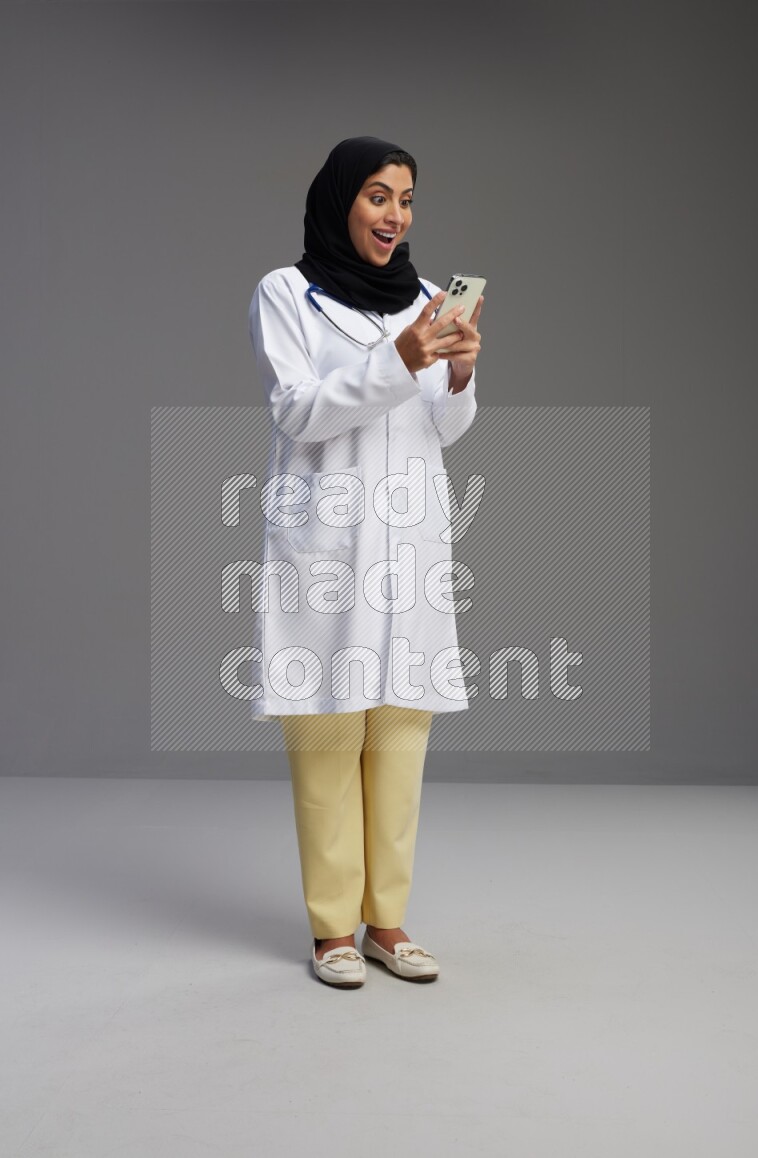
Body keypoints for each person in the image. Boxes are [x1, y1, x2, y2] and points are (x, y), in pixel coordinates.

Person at [248, 136, 483, 988]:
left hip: (410, 548)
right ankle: (330, 931)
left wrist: (456, 377)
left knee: (399, 742)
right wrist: (401, 360)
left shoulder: (426, 298)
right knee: (325, 739)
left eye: (409, 200)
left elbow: (443, 431)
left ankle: (386, 922)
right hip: (330, 549)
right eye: (380, 196)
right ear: (342, 200)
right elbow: (298, 411)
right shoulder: (286, 293)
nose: (397, 216)